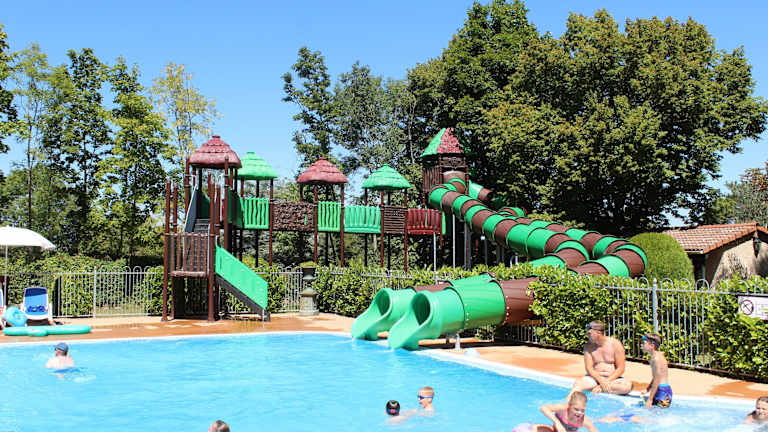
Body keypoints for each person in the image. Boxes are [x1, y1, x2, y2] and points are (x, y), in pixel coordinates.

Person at [568, 321, 632, 398]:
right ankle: (567, 402)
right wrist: (601, 381)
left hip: (612, 379)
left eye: (589, 333)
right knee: (578, 384)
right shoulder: (588, 346)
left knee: (627, 386)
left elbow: (620, 369)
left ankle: (600, 389)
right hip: (594, 379)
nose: (587, 335)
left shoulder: (615, 344)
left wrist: (604, 383)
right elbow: (589, 368)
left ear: (598, 333)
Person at [641, 333, 672, 408]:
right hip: (660, 390)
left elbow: (657, 380)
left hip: (663, 392)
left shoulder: (656, 359)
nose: (641, 345)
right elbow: (656, 377)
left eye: (644, 343)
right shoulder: (654, 356)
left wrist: (650, 399)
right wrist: (647, 389)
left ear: (652, 346)